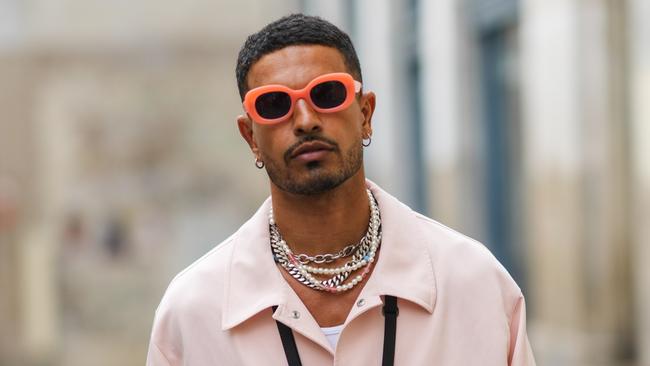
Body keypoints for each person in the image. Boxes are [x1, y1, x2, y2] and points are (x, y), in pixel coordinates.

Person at [146, 14, 536, 365]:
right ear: (250, 136)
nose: (305, 120)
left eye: (326, 95)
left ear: (365, 114)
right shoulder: (193, 312)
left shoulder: (473, 283)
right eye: (274, 104)